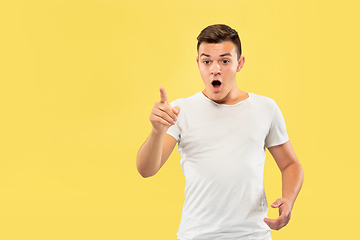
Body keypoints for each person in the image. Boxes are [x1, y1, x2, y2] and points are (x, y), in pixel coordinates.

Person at [136, 24, 303, 240]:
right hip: (197, 235)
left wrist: (288, 200)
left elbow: (290, 164)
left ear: (239, 63)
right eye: (207, 61)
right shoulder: (179, 111)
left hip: (253, 235)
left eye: (225, 61)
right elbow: (146, 170)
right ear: (198, 64)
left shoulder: (266, 108)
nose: (215, 69)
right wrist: (157, 132)